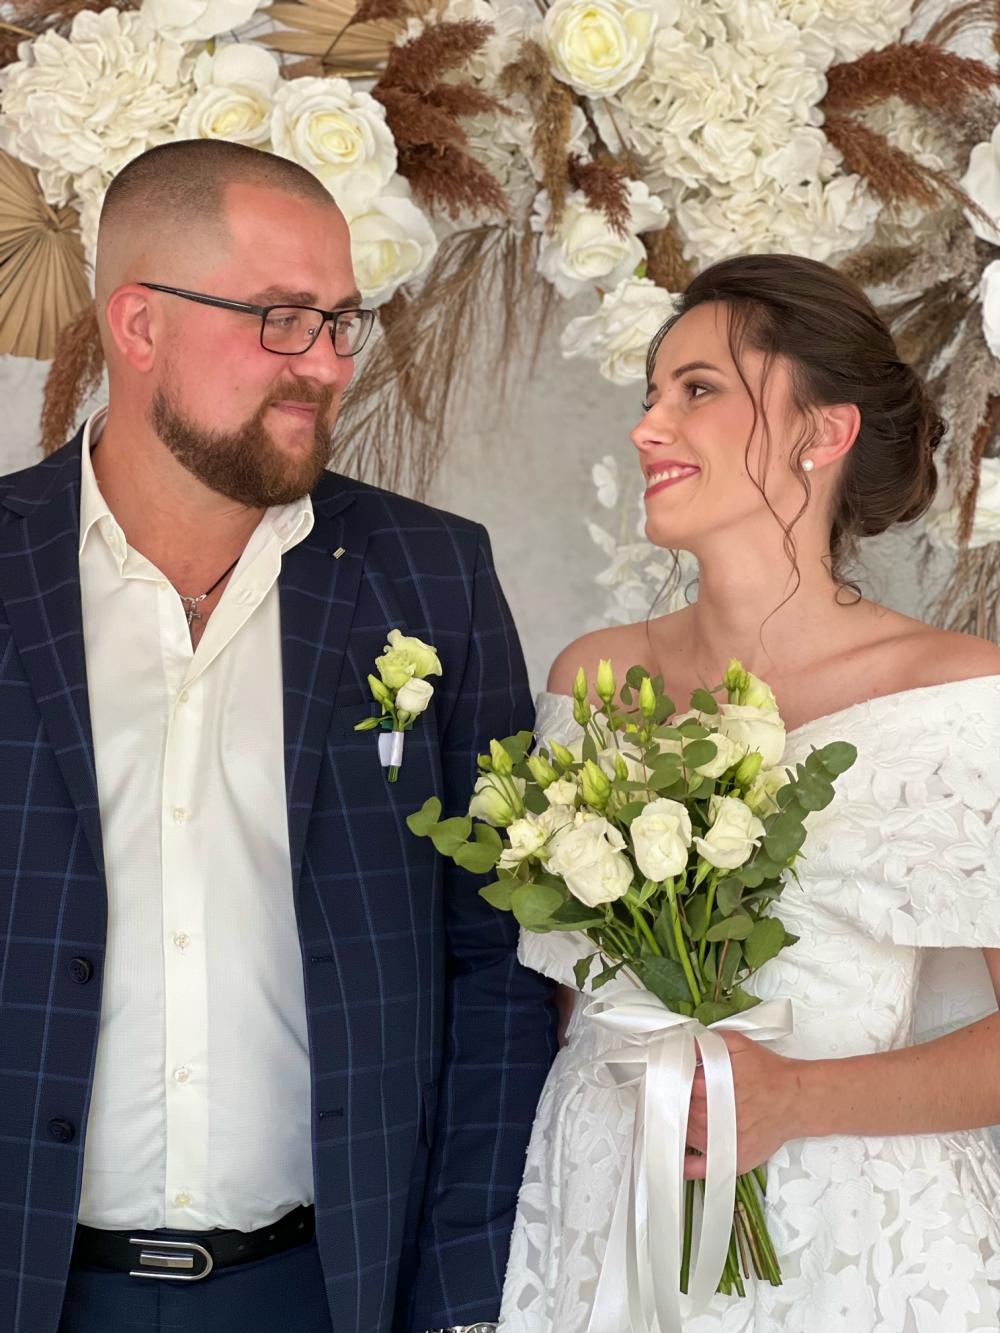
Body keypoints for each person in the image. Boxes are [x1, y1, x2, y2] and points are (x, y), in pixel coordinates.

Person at [0, 138, 556, 1333]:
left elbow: (497, 962)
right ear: (138, 324)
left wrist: (464, 1291)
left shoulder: (432, 576)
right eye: (280, 319)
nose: (326, 364)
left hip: (328, 1288)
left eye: (341, 321)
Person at [497, 253, 1000, 1332]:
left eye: (698, 390)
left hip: (851, 1233)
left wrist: (796, 1100)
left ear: (824, 432)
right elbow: (561, 1006)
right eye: (652, 395)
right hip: (608, 1199)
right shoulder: (592, 684)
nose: (648, 427)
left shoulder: (960, 701)